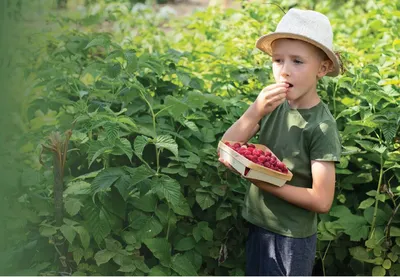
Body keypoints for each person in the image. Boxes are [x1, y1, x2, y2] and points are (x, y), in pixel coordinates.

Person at [219, 8, 342, 276]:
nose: (284, 71)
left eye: (297, 61)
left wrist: (266, 182)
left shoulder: (321, 127)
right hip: (258, 222)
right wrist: (255, 110)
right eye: (278, 60)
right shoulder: (272, 107)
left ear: (322, 68)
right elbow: (225, 149)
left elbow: (322, 200)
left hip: (292, 237)